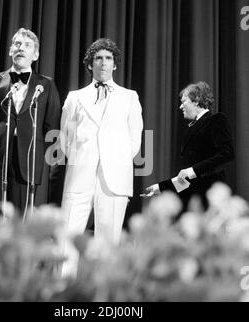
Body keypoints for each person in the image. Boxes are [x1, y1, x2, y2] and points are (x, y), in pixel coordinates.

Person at [60, 38, 143, 276]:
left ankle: (103, 296)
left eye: (108, 58)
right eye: (98, 58)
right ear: (90, 64)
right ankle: (64, 291)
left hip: (114, 179)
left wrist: (116, 161)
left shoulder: (129, 97)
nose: (104, 63)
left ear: (115, 64)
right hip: (80, 176)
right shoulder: (75, 97)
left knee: (108, 243)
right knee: (69, 240)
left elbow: (134, 140)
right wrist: (81, 159)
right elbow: (65, 137)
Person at [0, 28, 61, 213]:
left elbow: (52, 127)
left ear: (36, 54)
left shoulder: (46, 85)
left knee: (19, 223)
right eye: (17, 44)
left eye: (27, 45)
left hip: (26, 163)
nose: (21, 48)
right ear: (10, 50)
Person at [146, 81, 234, 212]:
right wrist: (160, 188)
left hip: (210, 198)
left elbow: (227, 154)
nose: (181, 107)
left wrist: (192, 171)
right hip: (191, 201)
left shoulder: (216, 120)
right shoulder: (190, 130)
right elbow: (185, 178)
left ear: (196, 100)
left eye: (184, 101)